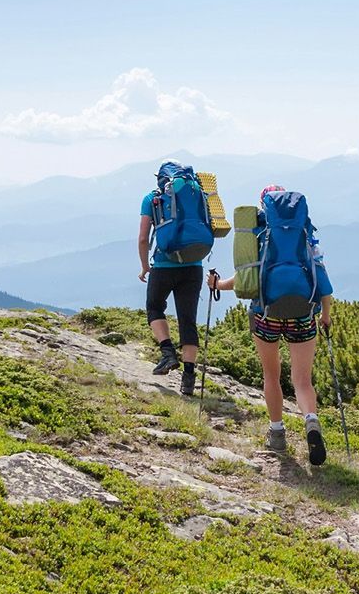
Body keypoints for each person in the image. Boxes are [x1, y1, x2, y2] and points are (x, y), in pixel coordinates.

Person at [208, 185, 333, 465]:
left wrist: (217, 284)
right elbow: (323, 281)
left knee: (271, 375)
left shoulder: (258, 233)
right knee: (302, 380)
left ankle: (277, 433)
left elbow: (245, 280)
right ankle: (311, 421)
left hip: (266, 314)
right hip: (303, 314)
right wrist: (325, 314)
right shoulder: (306, 235)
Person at [139, 165, 205, 396]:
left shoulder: (152, 198)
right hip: (193, 265)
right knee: (188, 320)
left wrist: (145, 266)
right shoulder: (198, 192)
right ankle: (188, 378)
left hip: (165, 264)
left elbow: (143, 238)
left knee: (154, 307)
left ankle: (167, 353)